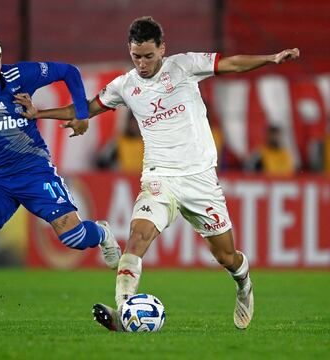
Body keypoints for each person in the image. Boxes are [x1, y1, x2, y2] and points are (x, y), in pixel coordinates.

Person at [15, 16, 300, 331]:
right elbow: (85, 108)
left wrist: (271, 59)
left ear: (162, 49)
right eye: (136, 56)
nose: (142, 63)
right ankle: (124, 312)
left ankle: (244, 284)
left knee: (226, 256)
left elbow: (231, 64)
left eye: (148, 56)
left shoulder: (185, 66)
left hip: (199, 178)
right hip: (159, 177)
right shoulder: (125, 85)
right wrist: (39, 113)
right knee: (137, 238)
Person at [0, 36, 121, 331]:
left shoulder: (19, 76)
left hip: (35, 172)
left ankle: (102, 232)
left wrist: (82, 114)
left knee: (74, 239)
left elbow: (69, 71)